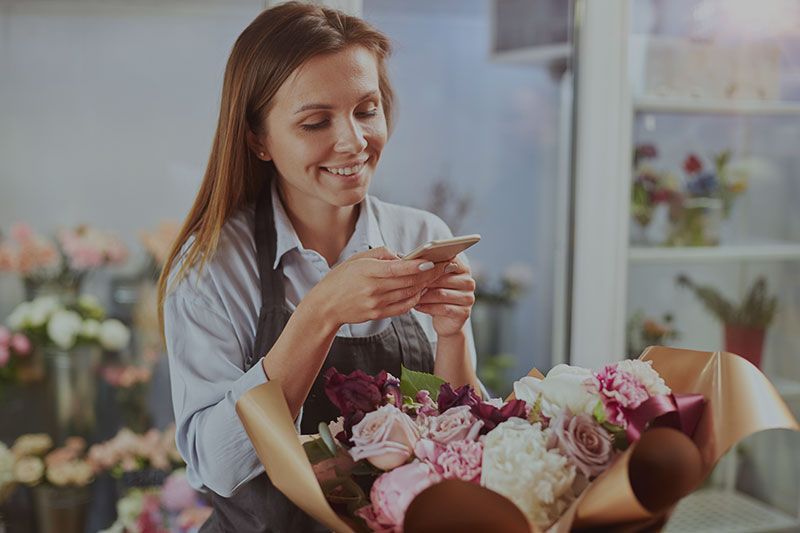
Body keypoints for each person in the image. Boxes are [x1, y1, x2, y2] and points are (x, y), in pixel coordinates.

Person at [158, 2, 481, 531]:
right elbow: (218, 465)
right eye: (315, 121)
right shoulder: (209, 268)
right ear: (257, 139)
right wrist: (321, 312)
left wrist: (453, 335)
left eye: (367, 109)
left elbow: (461, 443)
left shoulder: (424, 237)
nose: (353, 141)